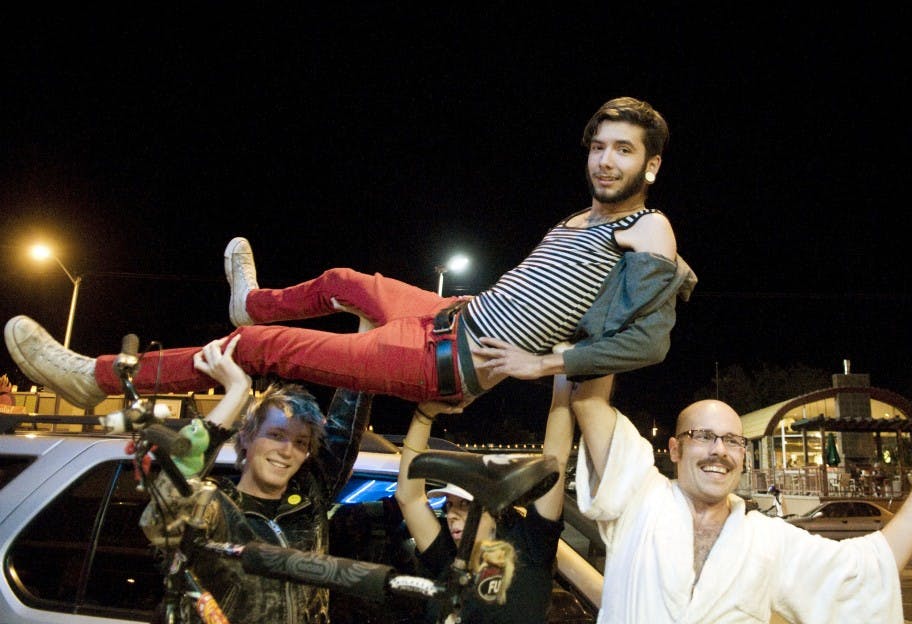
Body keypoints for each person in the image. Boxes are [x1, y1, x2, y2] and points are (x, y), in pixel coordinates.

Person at [4, 96, 696, 410]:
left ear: (651, 165)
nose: (606, 161)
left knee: (261, 352)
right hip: (451, 313)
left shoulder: (648, 228)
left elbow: (648, 342)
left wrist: (542, 364)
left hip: (446, 358)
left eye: (623, 150)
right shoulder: (579, 218)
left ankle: (97, 377)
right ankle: (249, 303)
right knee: (343, 280)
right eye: (599, 147)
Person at [568, 376, 912, 623]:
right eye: (704, 436)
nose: (719, 450)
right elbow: (589, 402)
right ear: (675, 449)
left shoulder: (768, 540)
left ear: (743, 454)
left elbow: (871, 566)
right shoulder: (640, 498)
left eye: (733, 440)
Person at [143, 334, 374, 624]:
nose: (287, 451)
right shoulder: (215, 506)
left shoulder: (310, 498)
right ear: (246, 437)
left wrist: (366, 338)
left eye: (300, 442)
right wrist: (236, 392)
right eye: (276, 435)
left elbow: (346, 421)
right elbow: (162, 511)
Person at [394, 374, 575, 623]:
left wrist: (563, 372)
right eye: (449, 506)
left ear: (495, 510)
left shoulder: (530, 546)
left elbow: (556, 458)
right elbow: (409, 497)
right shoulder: (450, 559)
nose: (452, 515)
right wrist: (423, 416)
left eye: (465, 504)